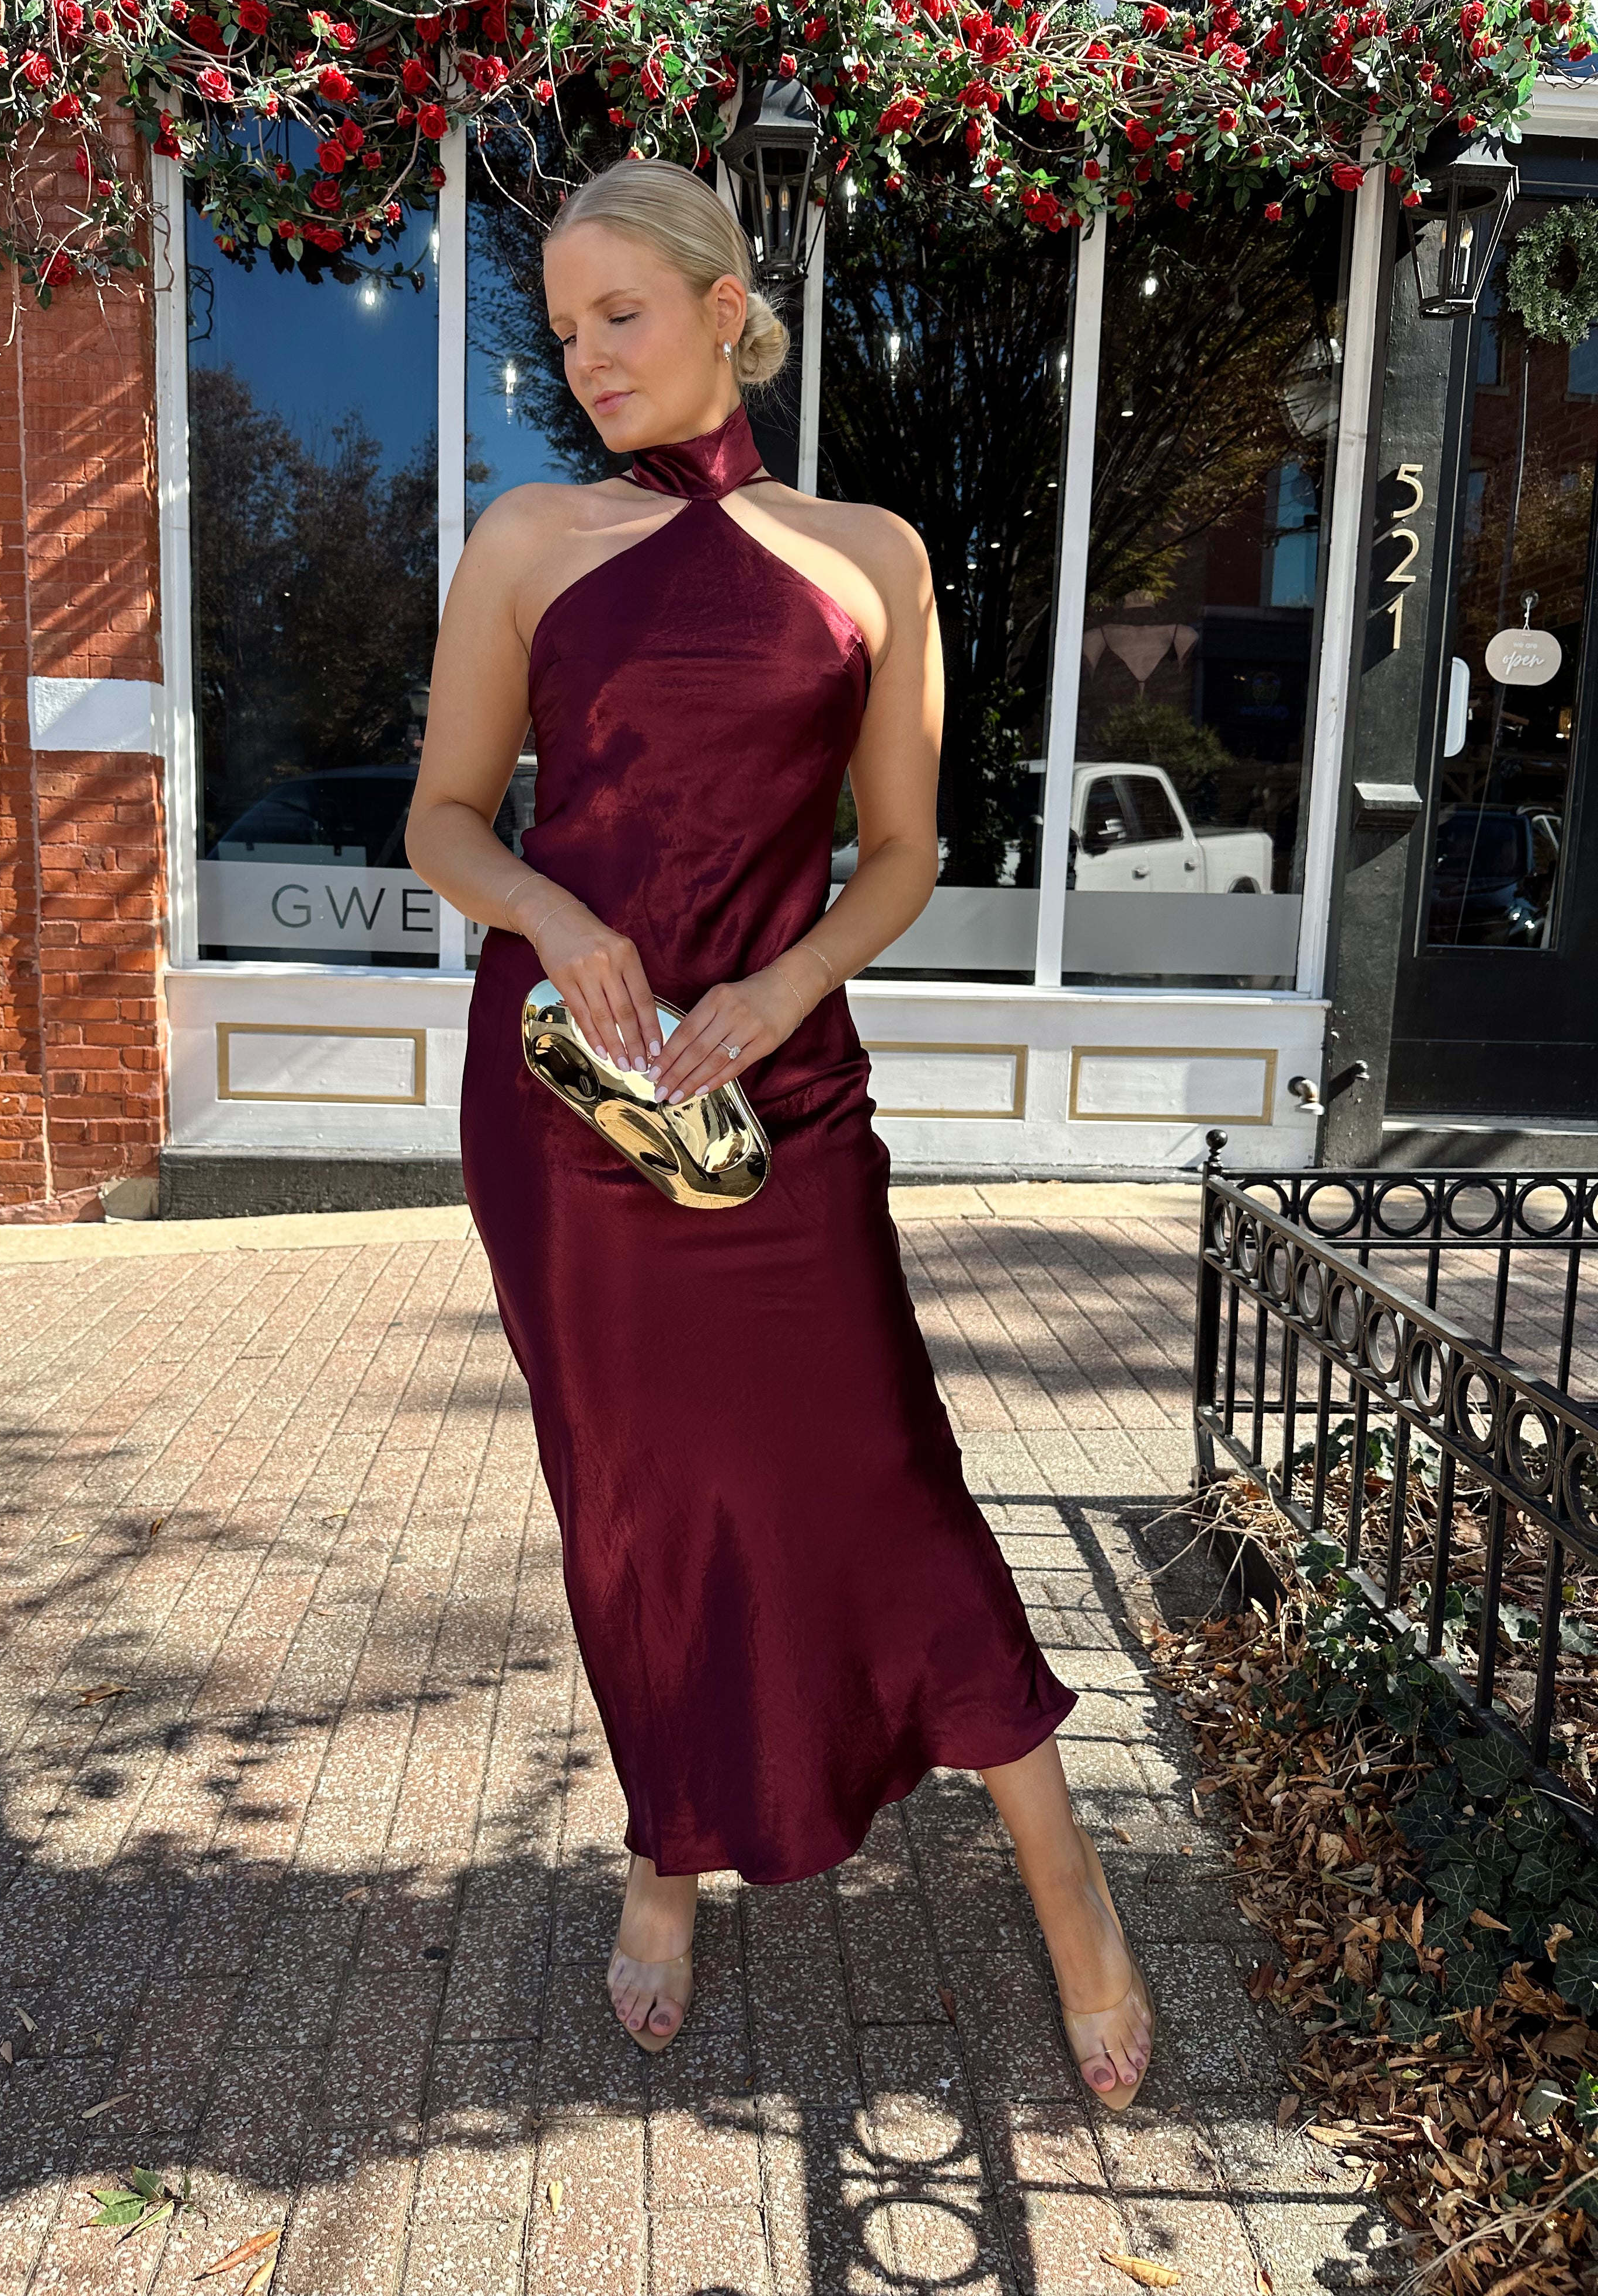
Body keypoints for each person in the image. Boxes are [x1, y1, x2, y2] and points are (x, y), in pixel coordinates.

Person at [404, 158, 1154, 2106]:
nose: (583, 361)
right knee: (638, 1509)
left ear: (732, 304)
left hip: (784, 1095)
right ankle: (671, 1857)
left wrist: (788, 987)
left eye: (620, 318)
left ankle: (1069, 1885)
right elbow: (446, 821)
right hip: (574, 1106)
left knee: (885, 1476)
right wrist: (561, 927)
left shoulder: (872, 556)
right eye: (562, 332)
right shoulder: (528, 544)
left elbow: (900, 855)